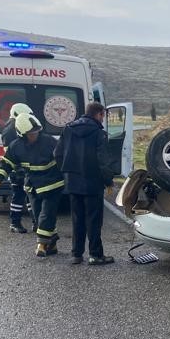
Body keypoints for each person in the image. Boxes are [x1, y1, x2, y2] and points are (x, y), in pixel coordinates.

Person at [0, 113, 64, 258]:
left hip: (52, 185)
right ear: (22, 134)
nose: (34, 135)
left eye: (36, 132)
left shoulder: (49, 141)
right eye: (30, 134)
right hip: (32, 187)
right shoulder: (16, 146)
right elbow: (6, 163)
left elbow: (63, 158)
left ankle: (41, 244)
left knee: (46, 215)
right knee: (38, 216)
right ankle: (52, 244)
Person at [55, 102, 115, 265]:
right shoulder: (99, 134)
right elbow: (103, 161)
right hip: (93, 183)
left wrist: (67, 172)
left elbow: (58, 153)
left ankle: (76, 254)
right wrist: (108, 180)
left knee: (77, 219)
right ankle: (95, 255)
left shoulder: (68, 129)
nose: (103, 119)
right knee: (94, 220)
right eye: (103, 115)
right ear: (98, 114)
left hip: (73, 183)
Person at [0, 102, 34, 233]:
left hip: (19, 168)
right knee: (20, 195)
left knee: (26, 195)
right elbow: (16, 151)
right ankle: (15, 223)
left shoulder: (10, 127)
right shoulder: (12, 129)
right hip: (18, 169)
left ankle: (33, 221)